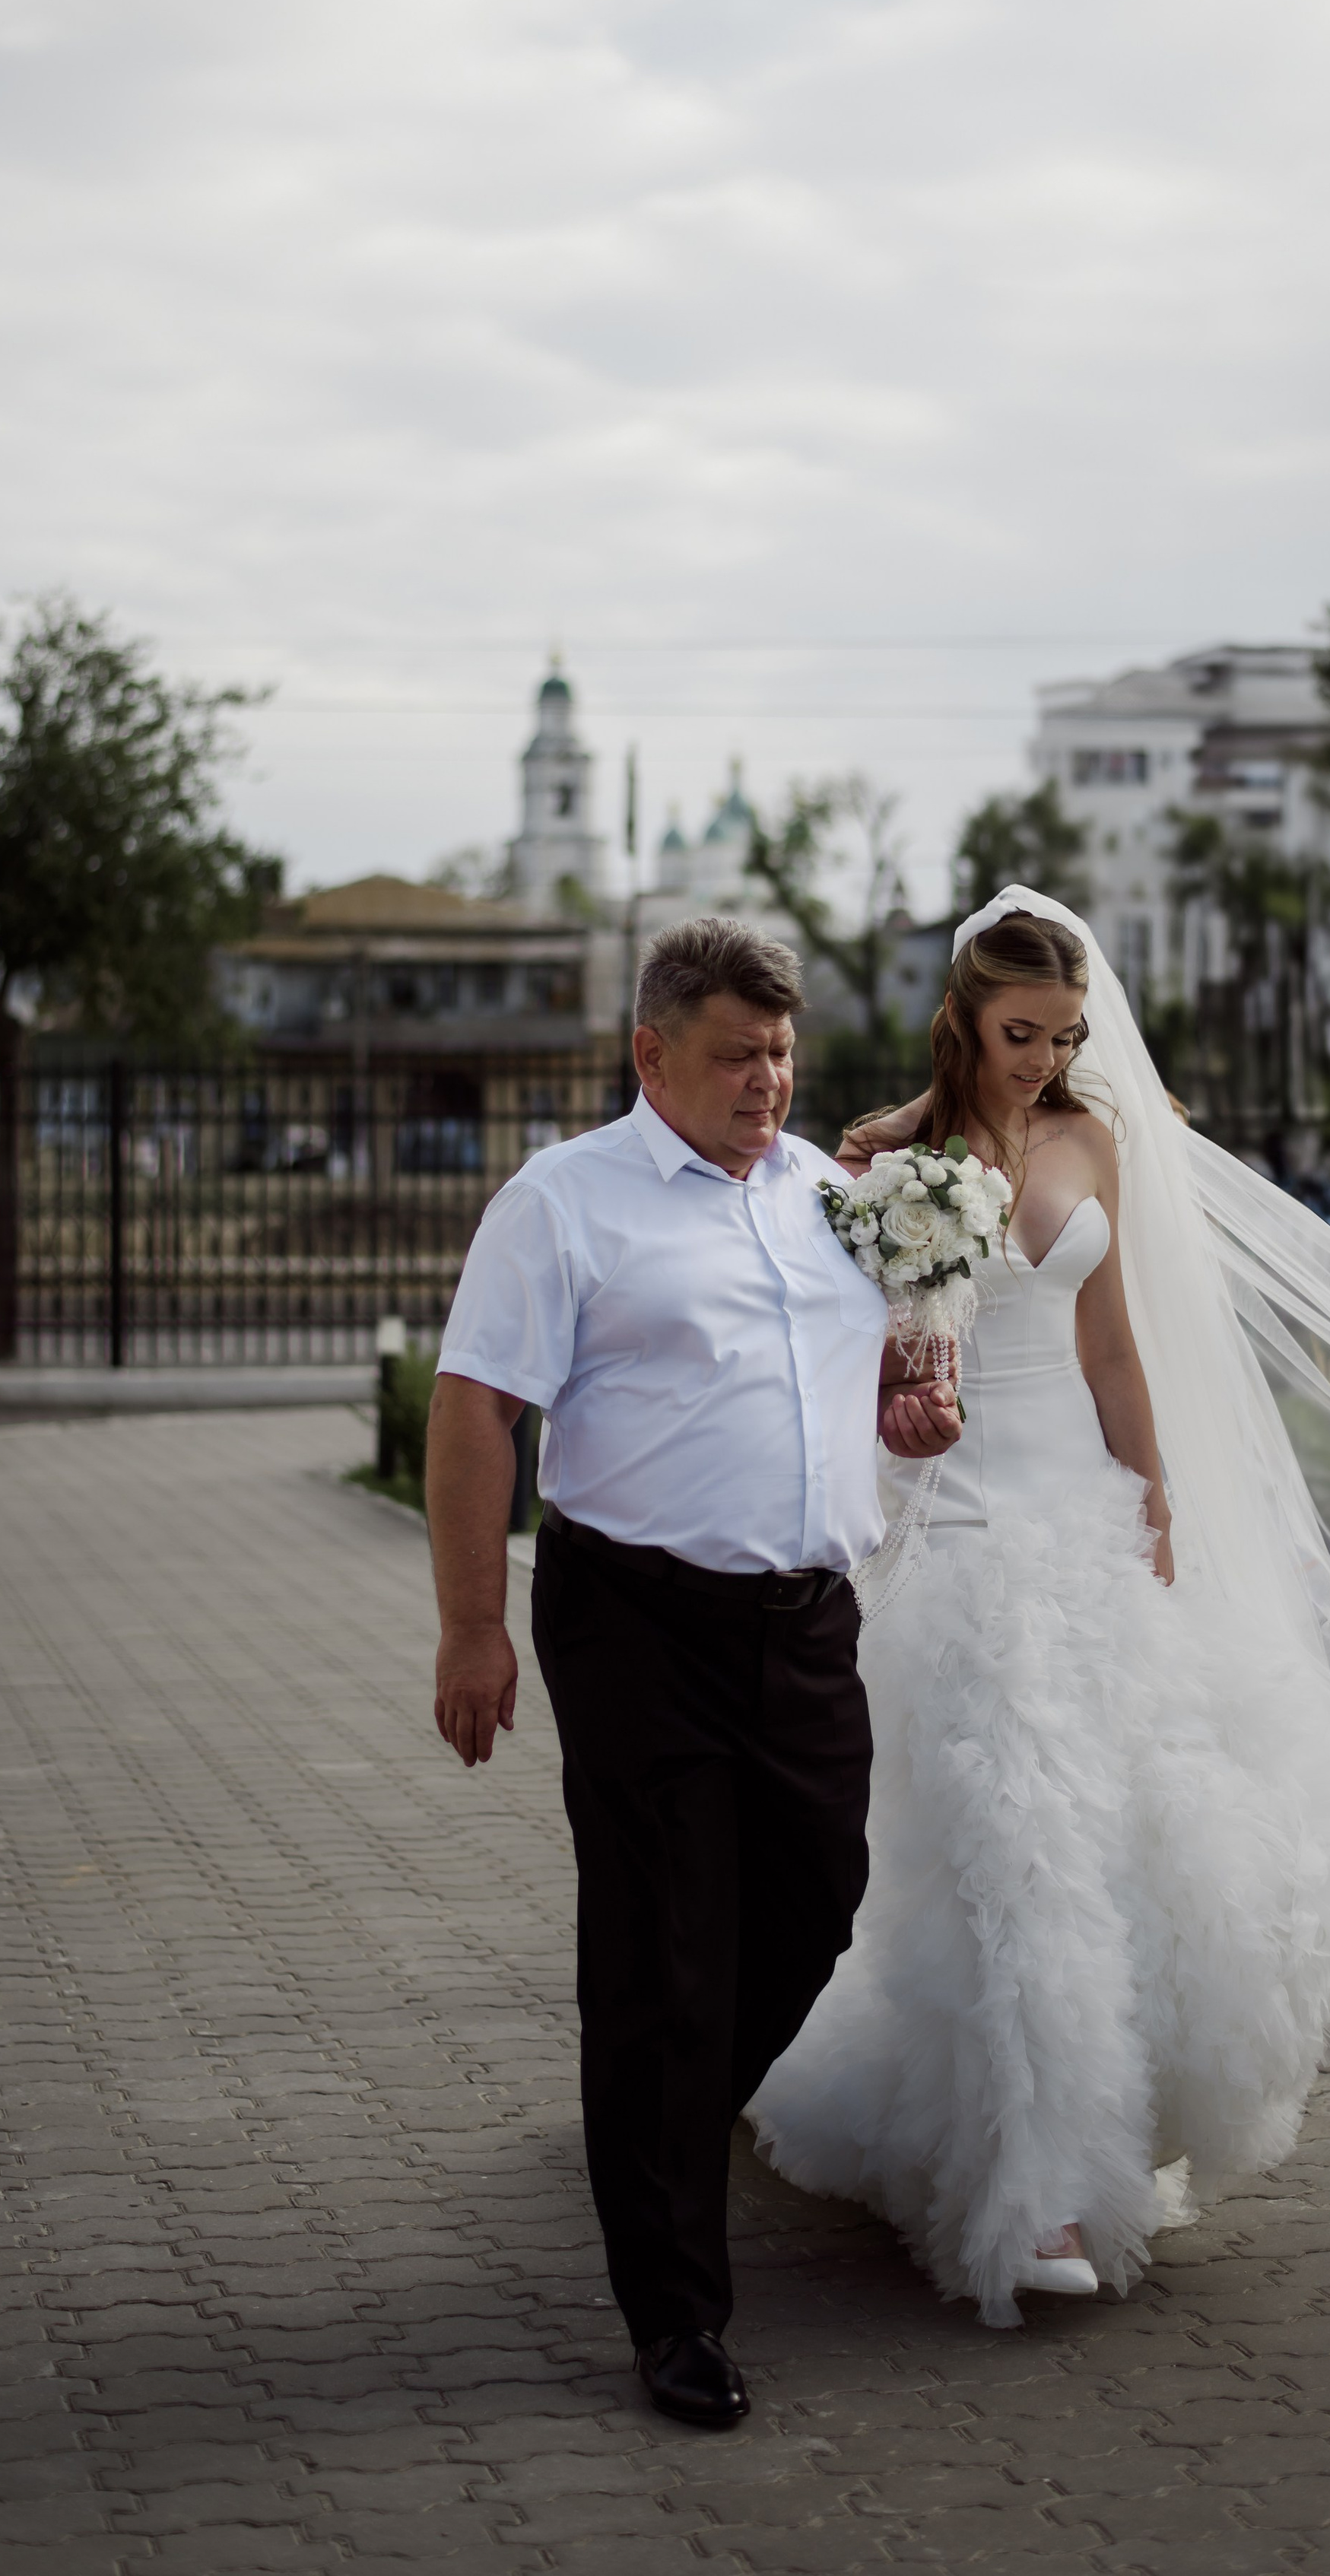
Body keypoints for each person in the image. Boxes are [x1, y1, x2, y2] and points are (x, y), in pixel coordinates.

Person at [751, 887, 1330, 2327]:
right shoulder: (884, 1159)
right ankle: (1038, 2189)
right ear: (963, 1015)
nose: (1042, 1060)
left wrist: (1159, 1494)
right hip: (954, 1530)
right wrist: (884, 1427)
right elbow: (850, 1359)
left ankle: (1078, 2143)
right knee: (1013, 1854)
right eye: (1018, 1034)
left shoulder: (1094, 1140)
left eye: (1064, 1036)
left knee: (1110, 1841)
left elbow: (1113, 1343)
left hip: (1085, 1513)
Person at [427, 916, 962, 2426]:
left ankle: (655, 2118)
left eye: (782, 1052)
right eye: (736, 1055)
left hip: (805, 1623)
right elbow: (474, 1414)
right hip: (633, 1622)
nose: (766, 1082)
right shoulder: (563, 1204)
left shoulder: (826, 1199)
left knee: (811, 1905)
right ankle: (674, 2313)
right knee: (661, 1951)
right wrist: (472, 1626)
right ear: (649, 1052)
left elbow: (857, 1381)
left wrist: (904, 1414)